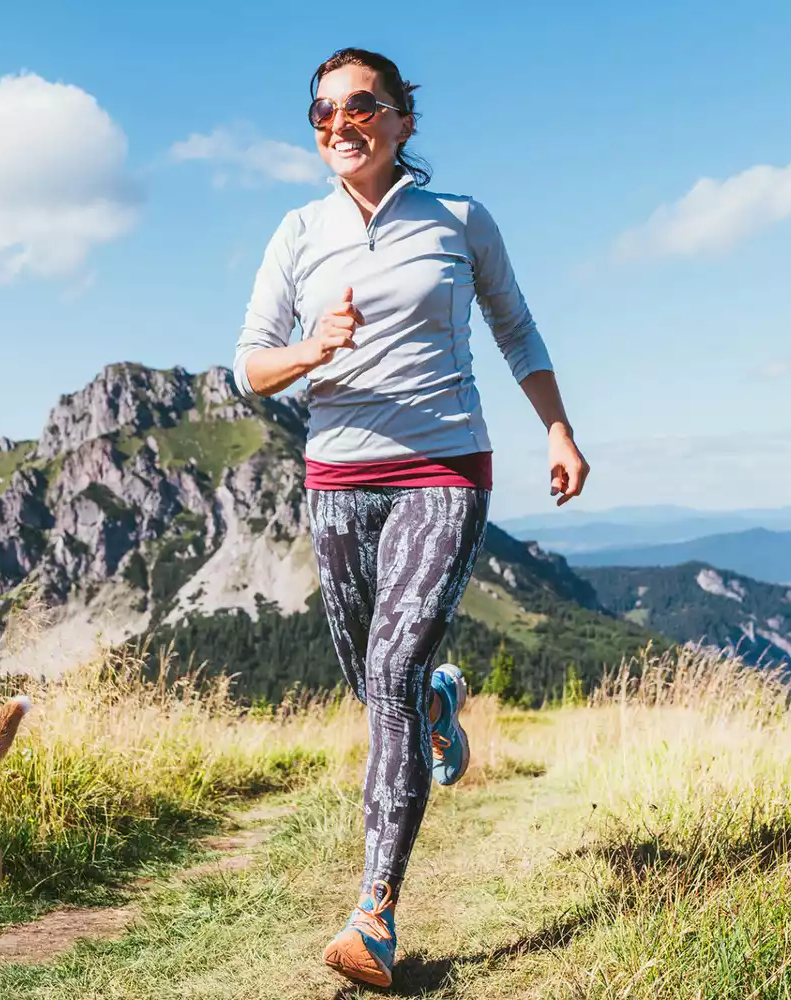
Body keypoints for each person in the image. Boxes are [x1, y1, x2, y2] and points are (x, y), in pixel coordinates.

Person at [231, 46, 589, 988]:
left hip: (444, 466)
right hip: (337, 476)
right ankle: (437, 701)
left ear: (400, 120)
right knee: (375, 680)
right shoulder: (298, 232)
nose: (338, 124)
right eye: (321, 113)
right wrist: (313, 348)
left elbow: (518, 328)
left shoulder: (458, 222)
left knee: (388, 666)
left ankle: (374, 913)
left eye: (359, 106)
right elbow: (249, 365)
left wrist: (558, 431)